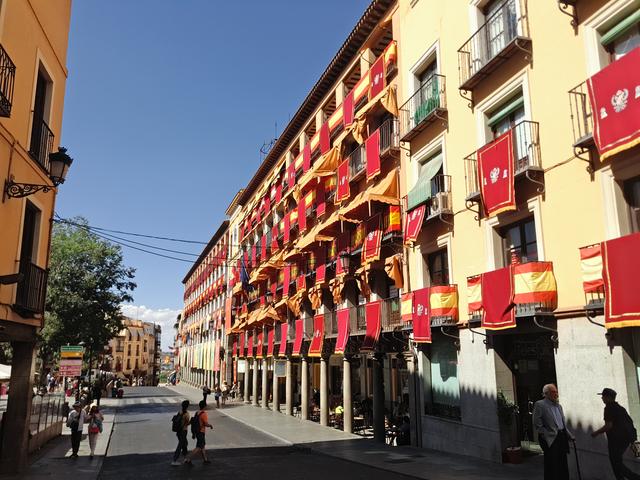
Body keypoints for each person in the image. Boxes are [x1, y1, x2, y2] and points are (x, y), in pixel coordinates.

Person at [591, 388, 640, 480]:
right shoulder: (621, 408)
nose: (602, 398)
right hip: (625, 441)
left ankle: (636, 478)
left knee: (616, 464)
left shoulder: (608, 408)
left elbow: (608, 426)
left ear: (608, 397)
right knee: (617, 464)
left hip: (615, 441)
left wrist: (596, 433)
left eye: (603, 396)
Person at [532, 383, 572, 480]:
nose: (556, 394)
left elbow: (562, 423)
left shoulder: (559, 406)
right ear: (546, 394)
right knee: (552, 464)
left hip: (561, 437)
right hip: (550, 438)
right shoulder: (540, 404)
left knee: (563, 463)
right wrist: (544, 434)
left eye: (556, 392)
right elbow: (536, 422)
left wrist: (569, 435)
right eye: (553, 392)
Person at [184, 400, 212, 466]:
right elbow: (205, 424)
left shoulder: (197, 412)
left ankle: (205, 459)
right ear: (204, 406)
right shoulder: (204, 414)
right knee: (199, 447)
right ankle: (188, 458)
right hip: (201, 432)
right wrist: (210, 425)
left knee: (202, 445)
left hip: (197, 431)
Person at [170, 400, 190, 466]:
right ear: (187, 406)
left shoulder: (180, 412)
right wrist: (191, 422)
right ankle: (174, 460)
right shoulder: (187, 414)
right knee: (180, 445)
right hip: (183, 431)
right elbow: (187, 423)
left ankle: (186, 458)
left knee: (185, 444)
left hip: (178, 431)